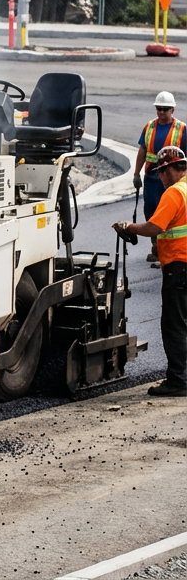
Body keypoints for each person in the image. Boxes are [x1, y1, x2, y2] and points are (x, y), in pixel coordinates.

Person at [116, 145, 187, 396]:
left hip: (179, 266)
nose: (161, 178)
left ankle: (179, 381)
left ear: (168, 170)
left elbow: (154, 227)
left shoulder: (174, 193)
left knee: (174, 324)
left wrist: (129, 226)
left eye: (161, 173)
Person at [134, 91, 186, 266]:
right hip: (152, 177)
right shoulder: (149, 127)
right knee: (152, 211)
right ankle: (156, 247)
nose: (161, 112)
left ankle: (171, 249)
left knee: (172, 212)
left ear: (172, 110)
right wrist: (136, 173)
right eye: (158, 109)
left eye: (164, 109)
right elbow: (142, 150)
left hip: (174, 178)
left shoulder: (182, 129)